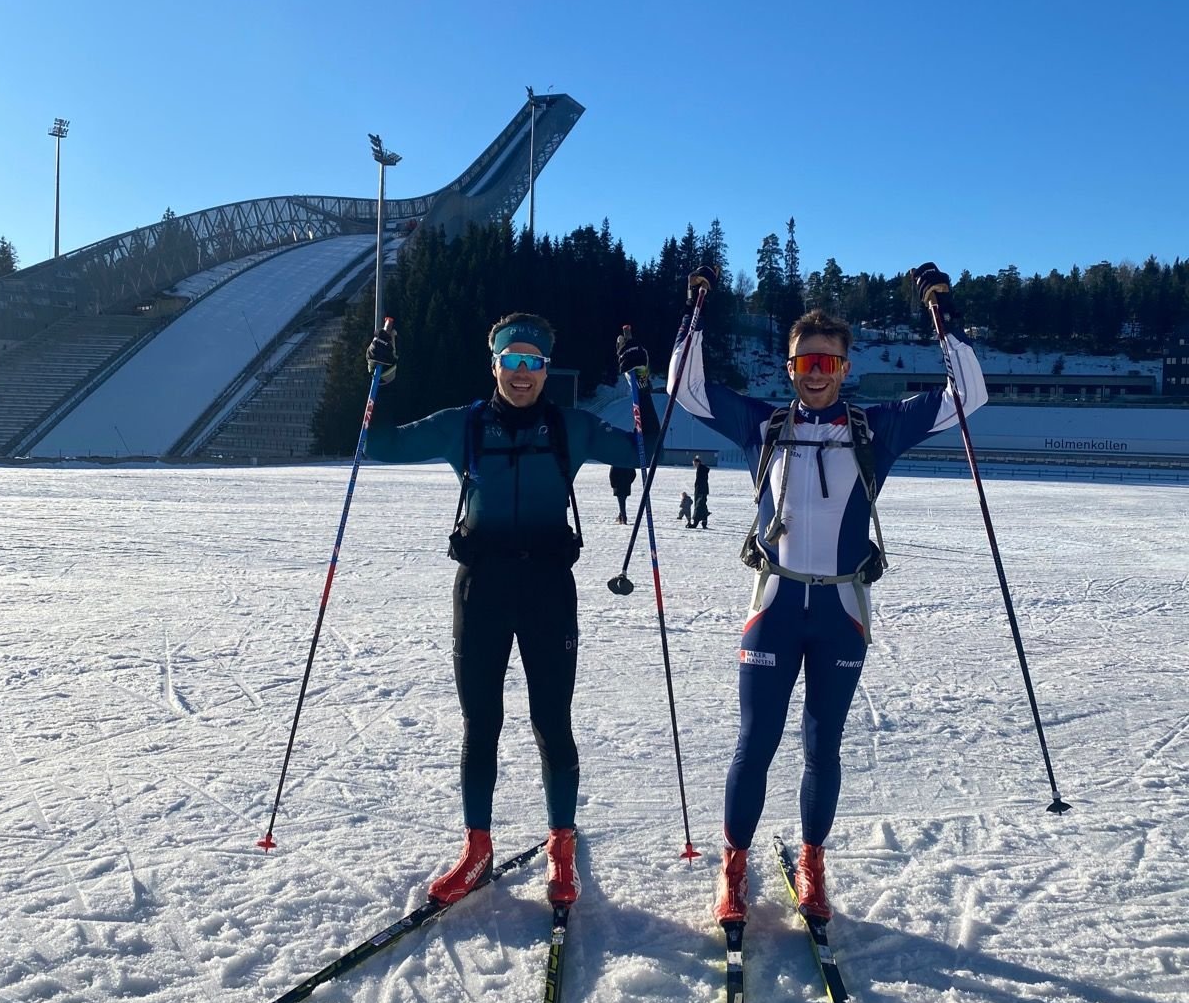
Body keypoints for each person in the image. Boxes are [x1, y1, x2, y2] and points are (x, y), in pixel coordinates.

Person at [669, 262, 987, 924]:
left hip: (842, 610)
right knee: (754, 743)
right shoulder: (762, 425)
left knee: (823, 744)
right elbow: (685, 388)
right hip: (775, 606)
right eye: (805, 360)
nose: (817, 370)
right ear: (790, 367)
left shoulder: (876, 429)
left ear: (846, 368)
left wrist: (945, 316)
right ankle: (734, 867)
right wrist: (692, 312)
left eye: (829, 361)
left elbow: (970, 395)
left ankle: (812, 864)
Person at [364, 311, 657, 907]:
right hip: (482, 592)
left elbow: (644, 448)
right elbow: (377, 444)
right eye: (512, 360)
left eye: (534, 362)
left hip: (549, 590)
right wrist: (380, 380)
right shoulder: (464, 427)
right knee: (482, 724)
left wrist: (640, 387)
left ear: (546, 368)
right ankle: (477, 849)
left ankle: (561, 847)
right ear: (493, 362)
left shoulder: (569, 427)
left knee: (553, 722)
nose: (522, 374)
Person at [691, 454, 711, 529]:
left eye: (694, 463)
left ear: (697, 463)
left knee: (698, 506)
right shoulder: (701, 469)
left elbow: (701, 481)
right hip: (702, 490)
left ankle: (695, 523)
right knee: (702, 506)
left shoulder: (701, 469)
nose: (694, 465)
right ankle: (704, 522)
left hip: (701, 490)